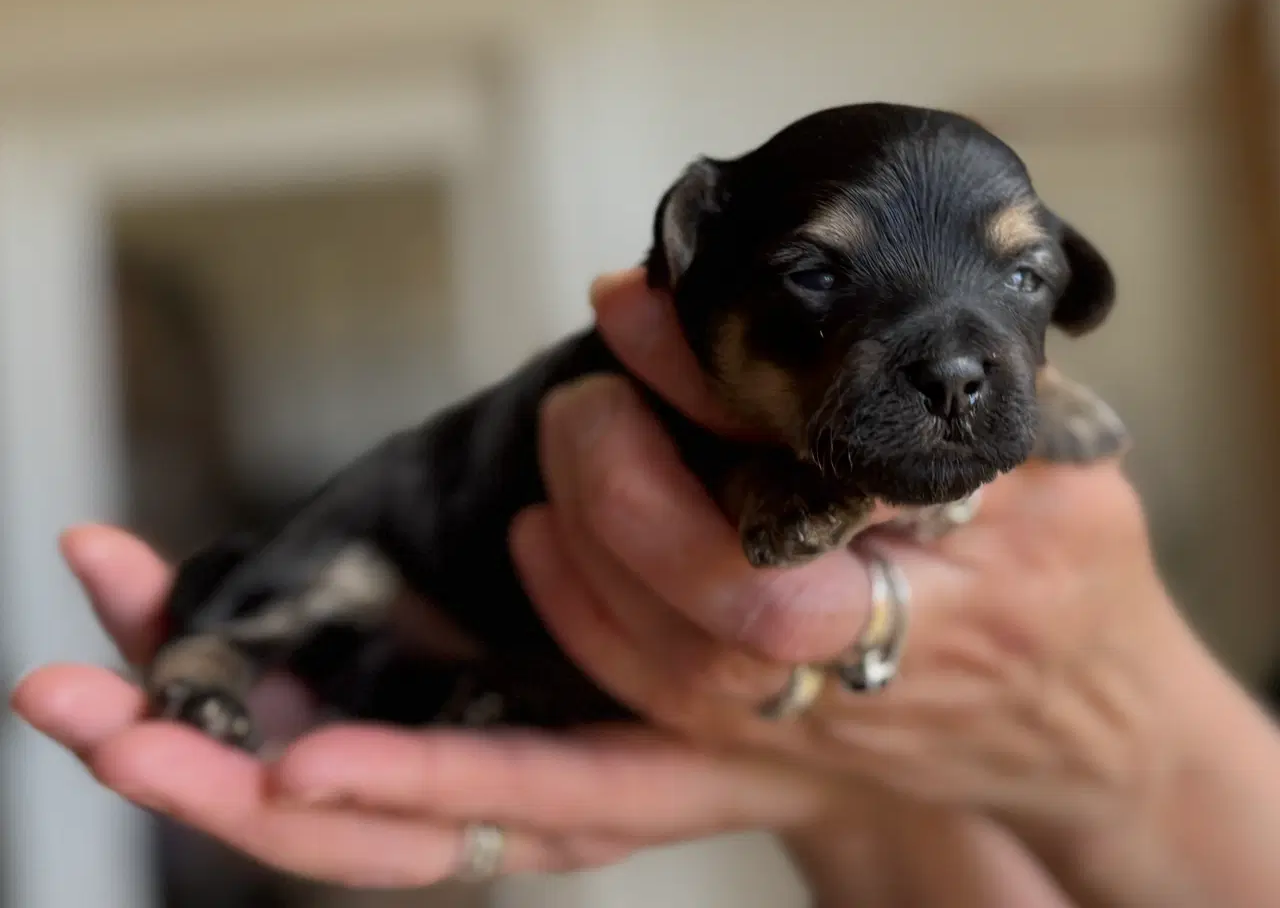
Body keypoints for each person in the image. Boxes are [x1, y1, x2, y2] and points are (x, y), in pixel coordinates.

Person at [14, 266, 1280, 907]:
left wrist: (1131, 749)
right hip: (465, 606)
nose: (953, 370)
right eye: (818, 281)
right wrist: (848, 790)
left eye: (1018, 283)